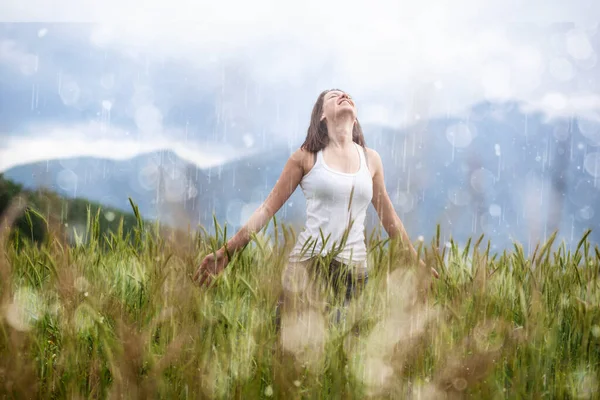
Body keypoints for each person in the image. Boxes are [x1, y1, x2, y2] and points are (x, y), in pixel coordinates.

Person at [193, 89, 439, 322]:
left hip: (354, 275)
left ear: (355, 119)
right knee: (290, 353)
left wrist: (414, 262)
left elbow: (389, 217)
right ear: (322, 115)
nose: (344, 96)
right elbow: (267, 209)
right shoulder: (306, 157)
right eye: (334, 96)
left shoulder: (370, 159)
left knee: (343, 357)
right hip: (307, 269)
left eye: (347, 95)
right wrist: (228, 251)